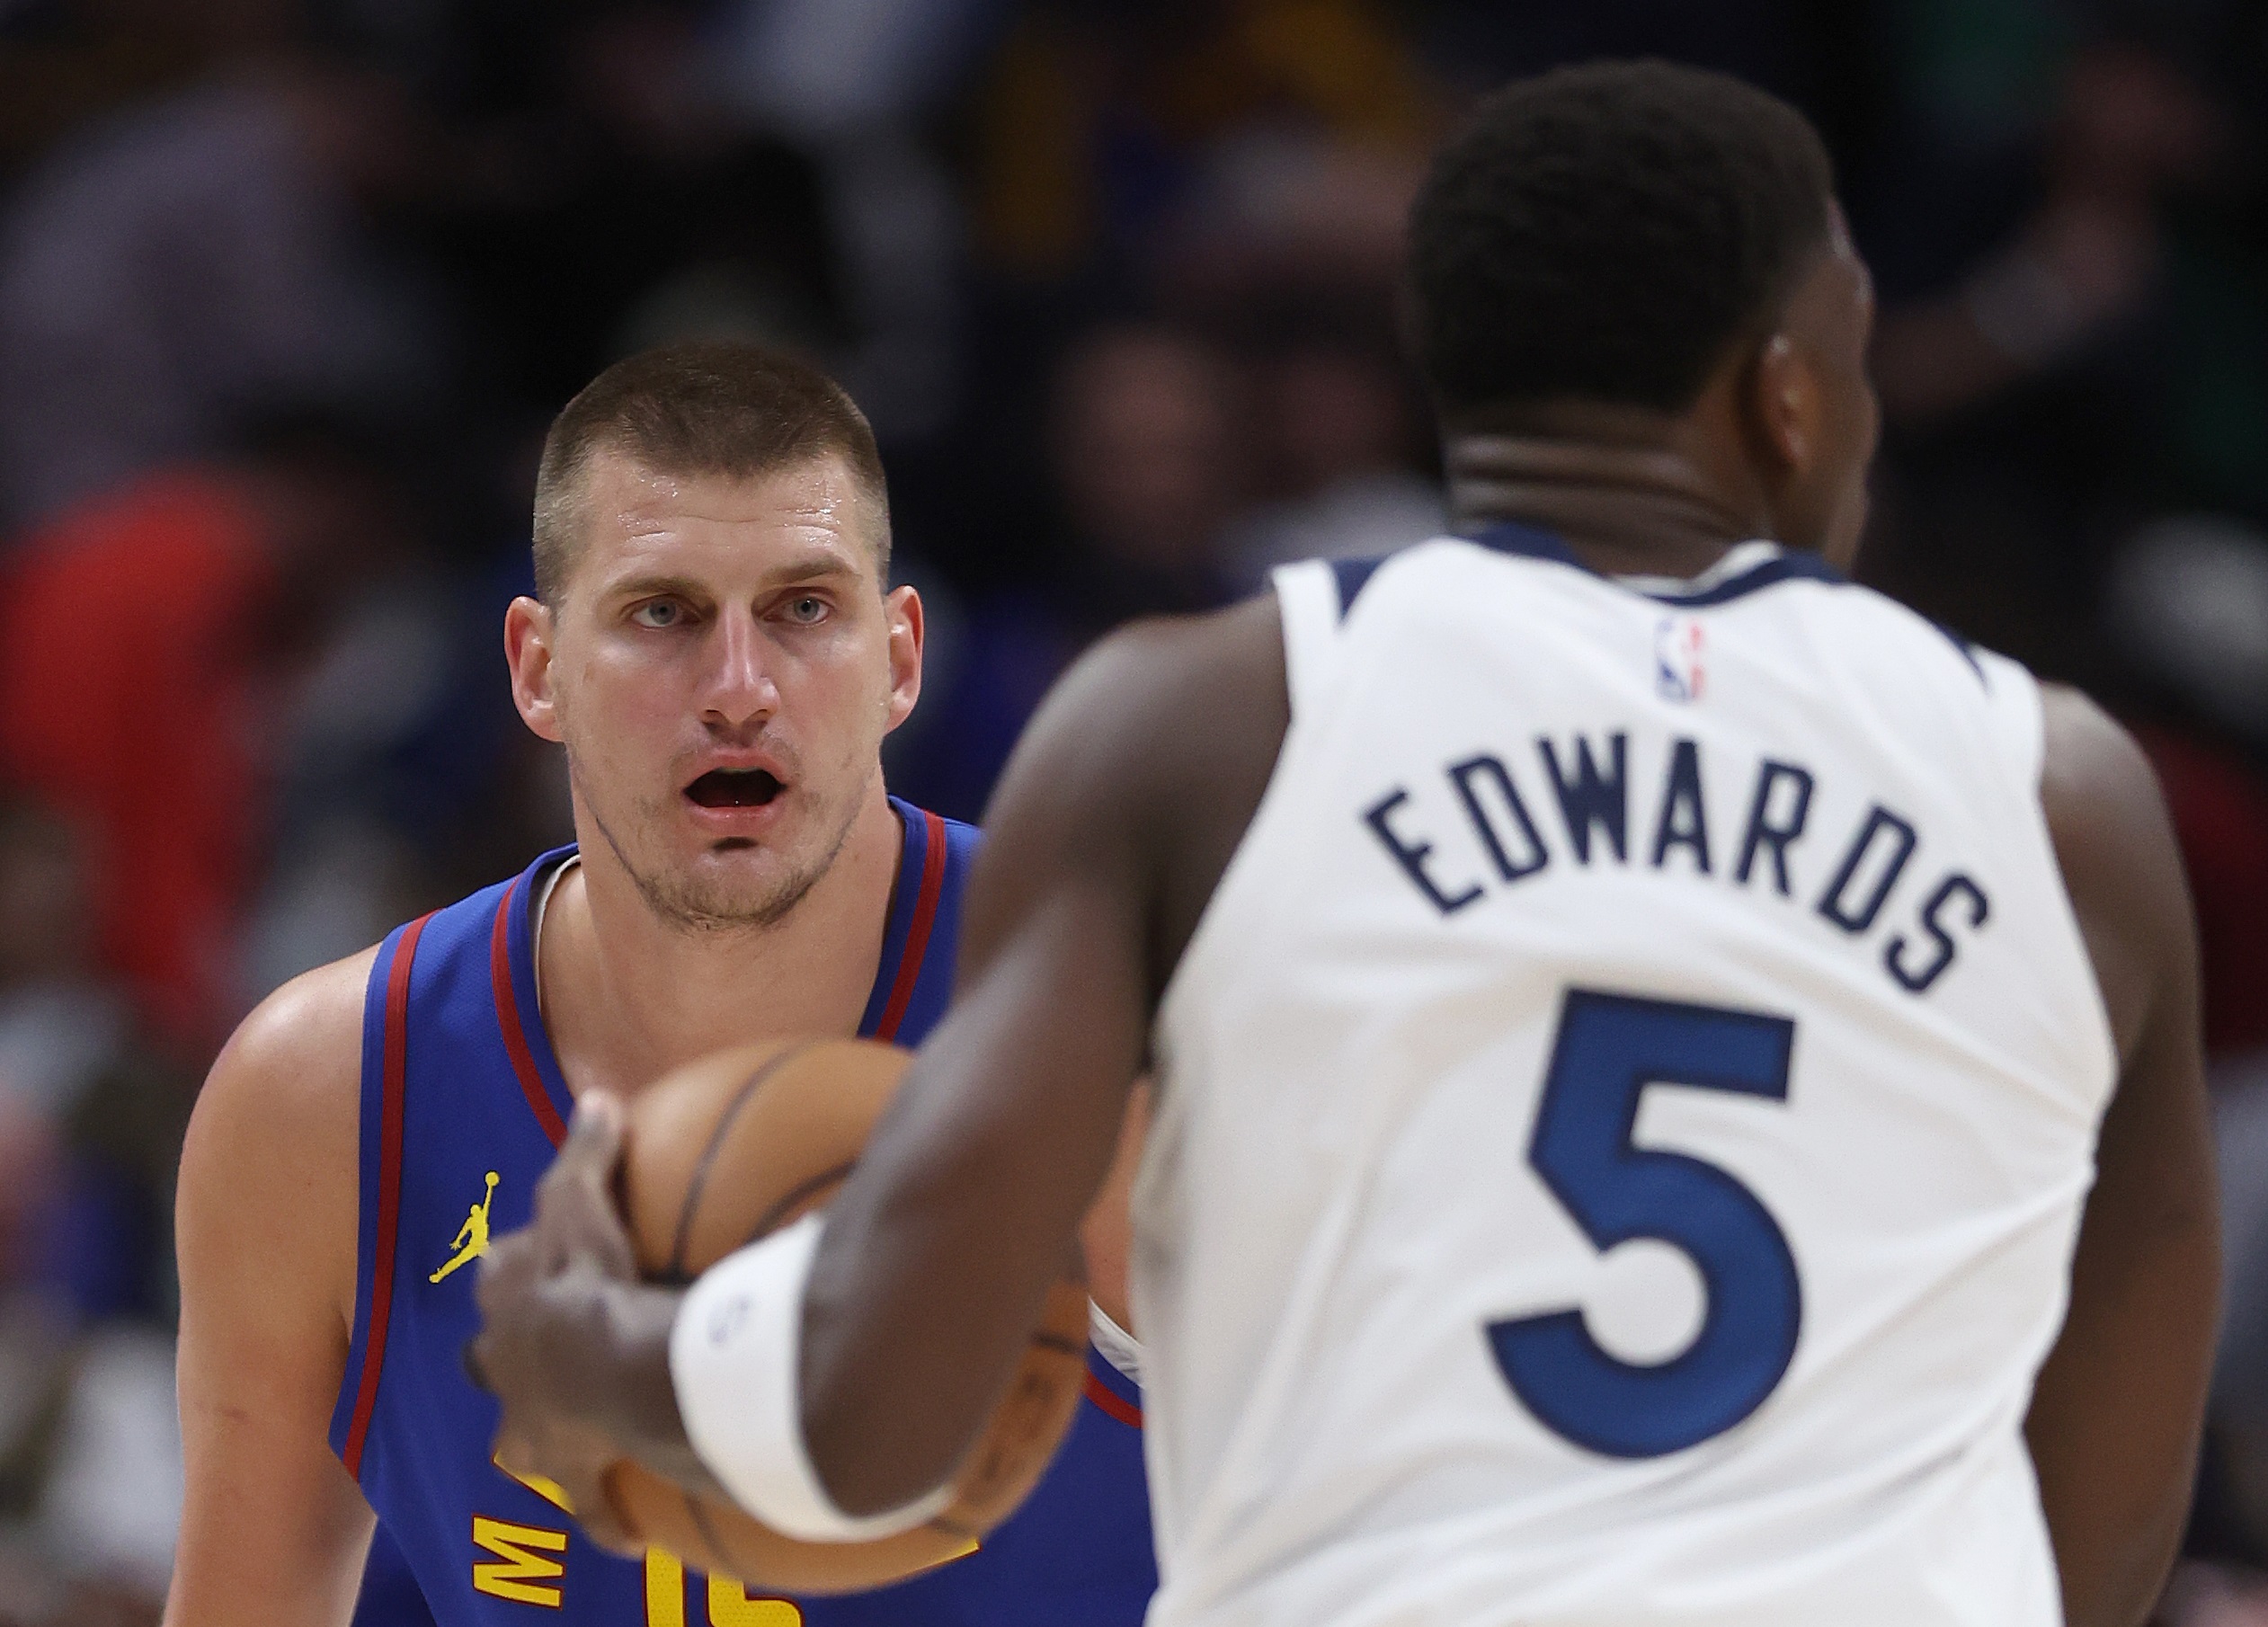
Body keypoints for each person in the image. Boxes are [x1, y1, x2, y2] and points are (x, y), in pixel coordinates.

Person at [473, 65, 2218, 1627]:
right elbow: (2111, 1505)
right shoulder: (2060, 797)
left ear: (1441, 369)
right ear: (1787, 395)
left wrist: (604, 1358)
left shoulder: (1208, 726)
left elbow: (885, 1406)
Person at [165, 343, 1156, 1626]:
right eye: (662, 613)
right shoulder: (324, 1099)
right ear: (536, 668)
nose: (739, 689)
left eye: (804, 607)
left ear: (900, 656)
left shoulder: (1118, 1049)